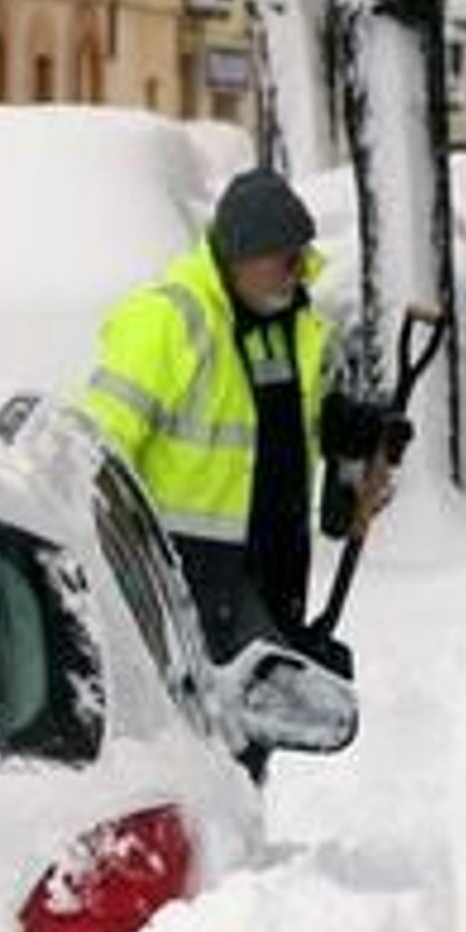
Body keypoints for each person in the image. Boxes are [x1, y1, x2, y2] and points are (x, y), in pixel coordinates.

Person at [73, 167, 409, 683]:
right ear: (241, 257)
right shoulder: (171, 321)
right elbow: (97, 445)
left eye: (303, 256)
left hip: (275, 562)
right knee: (221, 721)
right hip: (189, 567)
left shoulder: (294, 324)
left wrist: (354, 428)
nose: (300, 271)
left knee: (256, 726)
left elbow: (297, 417)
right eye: (286, 258)